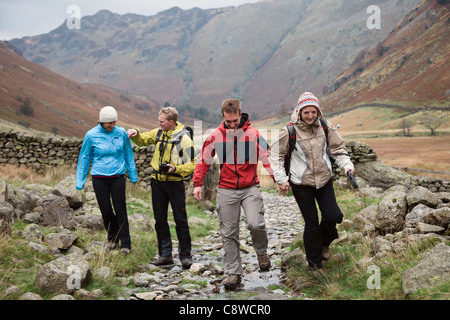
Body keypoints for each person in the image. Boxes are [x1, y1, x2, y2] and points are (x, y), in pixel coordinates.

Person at [193, 98, 274, 290]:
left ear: (240, 114)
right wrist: (197, 184)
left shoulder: (254, 134)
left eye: (235, 121)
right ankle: (233, 273)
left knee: (256, 223)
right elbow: (204, 161)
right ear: (222, 117)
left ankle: (261, 252)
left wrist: (278, 179)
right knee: (228, 232)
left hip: (250, 187)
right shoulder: (214, 135)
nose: (231, 125)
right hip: (226, 189)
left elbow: (268, 157)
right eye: (228, 121)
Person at [269, 92, 355, 272]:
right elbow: (275, 154)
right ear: (299, 111)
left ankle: (324, 244)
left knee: (334, 216)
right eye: (306, 112)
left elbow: (338, 147)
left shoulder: (325, 126)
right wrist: (282, 179)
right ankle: (315, 265)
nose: (310, 116)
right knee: (312, 223)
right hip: (301, 184)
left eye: (313, 112)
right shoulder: (289, 131)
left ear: (318, 112)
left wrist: (347, 166)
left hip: (324, 180)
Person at [127, 107, 195, 269]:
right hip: (157, 182)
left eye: (162, 121)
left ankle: (185, 257)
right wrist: (135, 133)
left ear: (171, 122)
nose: (159, 123)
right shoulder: (158, 133)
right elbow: (143, 140)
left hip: (175, 184)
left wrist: (176, 169)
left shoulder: (183, 139)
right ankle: (165, 256)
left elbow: (193, 163)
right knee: (160, 220)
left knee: (180, 220)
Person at [76, 106, 138, 255]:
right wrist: (80, 181)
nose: (112, 125)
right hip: (99, 178)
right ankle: (112, 239)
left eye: (114, 122)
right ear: (101, 122)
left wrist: (133, 174)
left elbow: (128, 153)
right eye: (109, 123)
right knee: (106, 210)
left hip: (117, 176)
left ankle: (126, 243)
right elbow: (84, 158)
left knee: (120, 209)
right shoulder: (91, 135)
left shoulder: (121, 133)